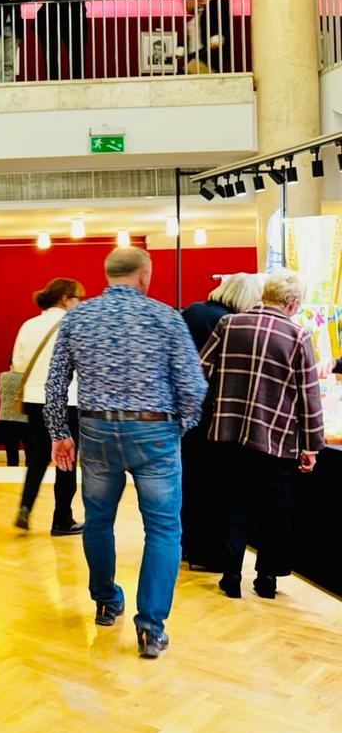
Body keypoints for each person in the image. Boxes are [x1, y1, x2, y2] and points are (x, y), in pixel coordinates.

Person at [45, 247, 206, 659]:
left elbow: (55, 382)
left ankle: (105, 601)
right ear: (144, 275)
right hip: (154, 430)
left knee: (98, 521)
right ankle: (151, 628)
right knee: (164, 529)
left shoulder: (78, 317)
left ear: (108, 275)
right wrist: (179, 426)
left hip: (97, 429)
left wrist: (60, 432)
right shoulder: (166, 316)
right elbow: (193, 386)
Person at [199, 269, 322, 600]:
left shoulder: (228, 325)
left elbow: (201, 373)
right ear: (293, 303)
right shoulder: (298, 336)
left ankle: (230, 575)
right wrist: (311, 445)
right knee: (274, 509)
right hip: (276, 438)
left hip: (228, 433)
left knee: (232, 503)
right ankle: (266, 578)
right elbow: (308, 396)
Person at [178, 273, 264, 571]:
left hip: (185, 414)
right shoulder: (227, 323)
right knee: (213, 487)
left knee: (189, 483)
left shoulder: (192, 311)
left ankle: (188, 546)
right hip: (213, 415)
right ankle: (206, 553)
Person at [11, 278, 84, 535]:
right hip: (67, 401)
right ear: (65, 298)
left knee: (38, 459)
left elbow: (18, 365)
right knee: (66, 460)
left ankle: (25, 507)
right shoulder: (73, 324)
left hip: (34, 399)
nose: (80, 303)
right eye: (78, 298)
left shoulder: (28, 325)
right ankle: (62, 519)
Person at [178, 0, 232, 74]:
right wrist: (181, 48)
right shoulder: (199, 14)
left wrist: (218, 36)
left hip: (207, 54)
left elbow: (223, 21)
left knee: (183, 77)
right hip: (195, 55)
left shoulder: (218, 3)